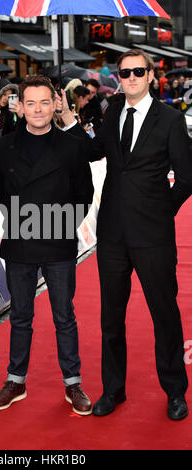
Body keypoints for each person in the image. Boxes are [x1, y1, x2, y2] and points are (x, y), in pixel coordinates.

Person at [58, 48, 192, 420]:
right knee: (110, 317)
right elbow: (94, 151)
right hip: (113, 232)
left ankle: (175, 392)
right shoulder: (113, 109)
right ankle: (113, 390)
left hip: (154, 234)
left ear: (151, 75)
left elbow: (187, 177)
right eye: (124, 72)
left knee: (164, 314)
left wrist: (161, 210)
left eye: (137, 71)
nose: (130, 77)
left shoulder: (169, 119)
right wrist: (69, 119)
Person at [0, 75, 93, 416]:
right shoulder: (4, 146)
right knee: (20, 317)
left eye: (44, 102)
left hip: (59, 242)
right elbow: (1, 194)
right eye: (30, 103)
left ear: (54, 105)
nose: (37, 109)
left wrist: (56, 225)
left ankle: (72, 383)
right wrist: (28, 222)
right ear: (19, 107)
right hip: (20, 241)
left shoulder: (73, 146)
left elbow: (83, 195)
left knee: (65, 316)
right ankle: (15, 380)